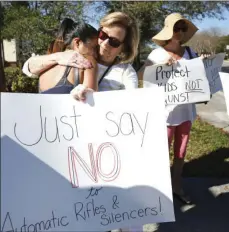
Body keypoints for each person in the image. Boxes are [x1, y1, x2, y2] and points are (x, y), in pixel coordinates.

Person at [23, 12, 142, 232]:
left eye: (114, 41)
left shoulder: (125, 72)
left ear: (123, 47)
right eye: (103, 34)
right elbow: (27, 67)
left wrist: (93, 99)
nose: (105, 43)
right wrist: (56, 58)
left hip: (106, 152)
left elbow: (132, 109)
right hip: (70, 150)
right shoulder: (79, 57)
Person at [138, 13, 200, 205]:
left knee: (180, 153)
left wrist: (205, 66)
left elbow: (200, 80)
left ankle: (176, 185)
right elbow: (140, 76)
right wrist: (159, 67)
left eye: (183, 28)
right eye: (176, 28)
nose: (180, 32)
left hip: (186, 112)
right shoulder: (156, 54)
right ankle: (160, 191)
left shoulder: (190, 53)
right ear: (168, 30)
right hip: (163, 114)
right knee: (161, 153)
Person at [23, 22, 99, 94]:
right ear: (77, 43)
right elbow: (90, 103)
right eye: (94, 47)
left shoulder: (45, 68)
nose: (96, 54)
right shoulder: (87, 62)